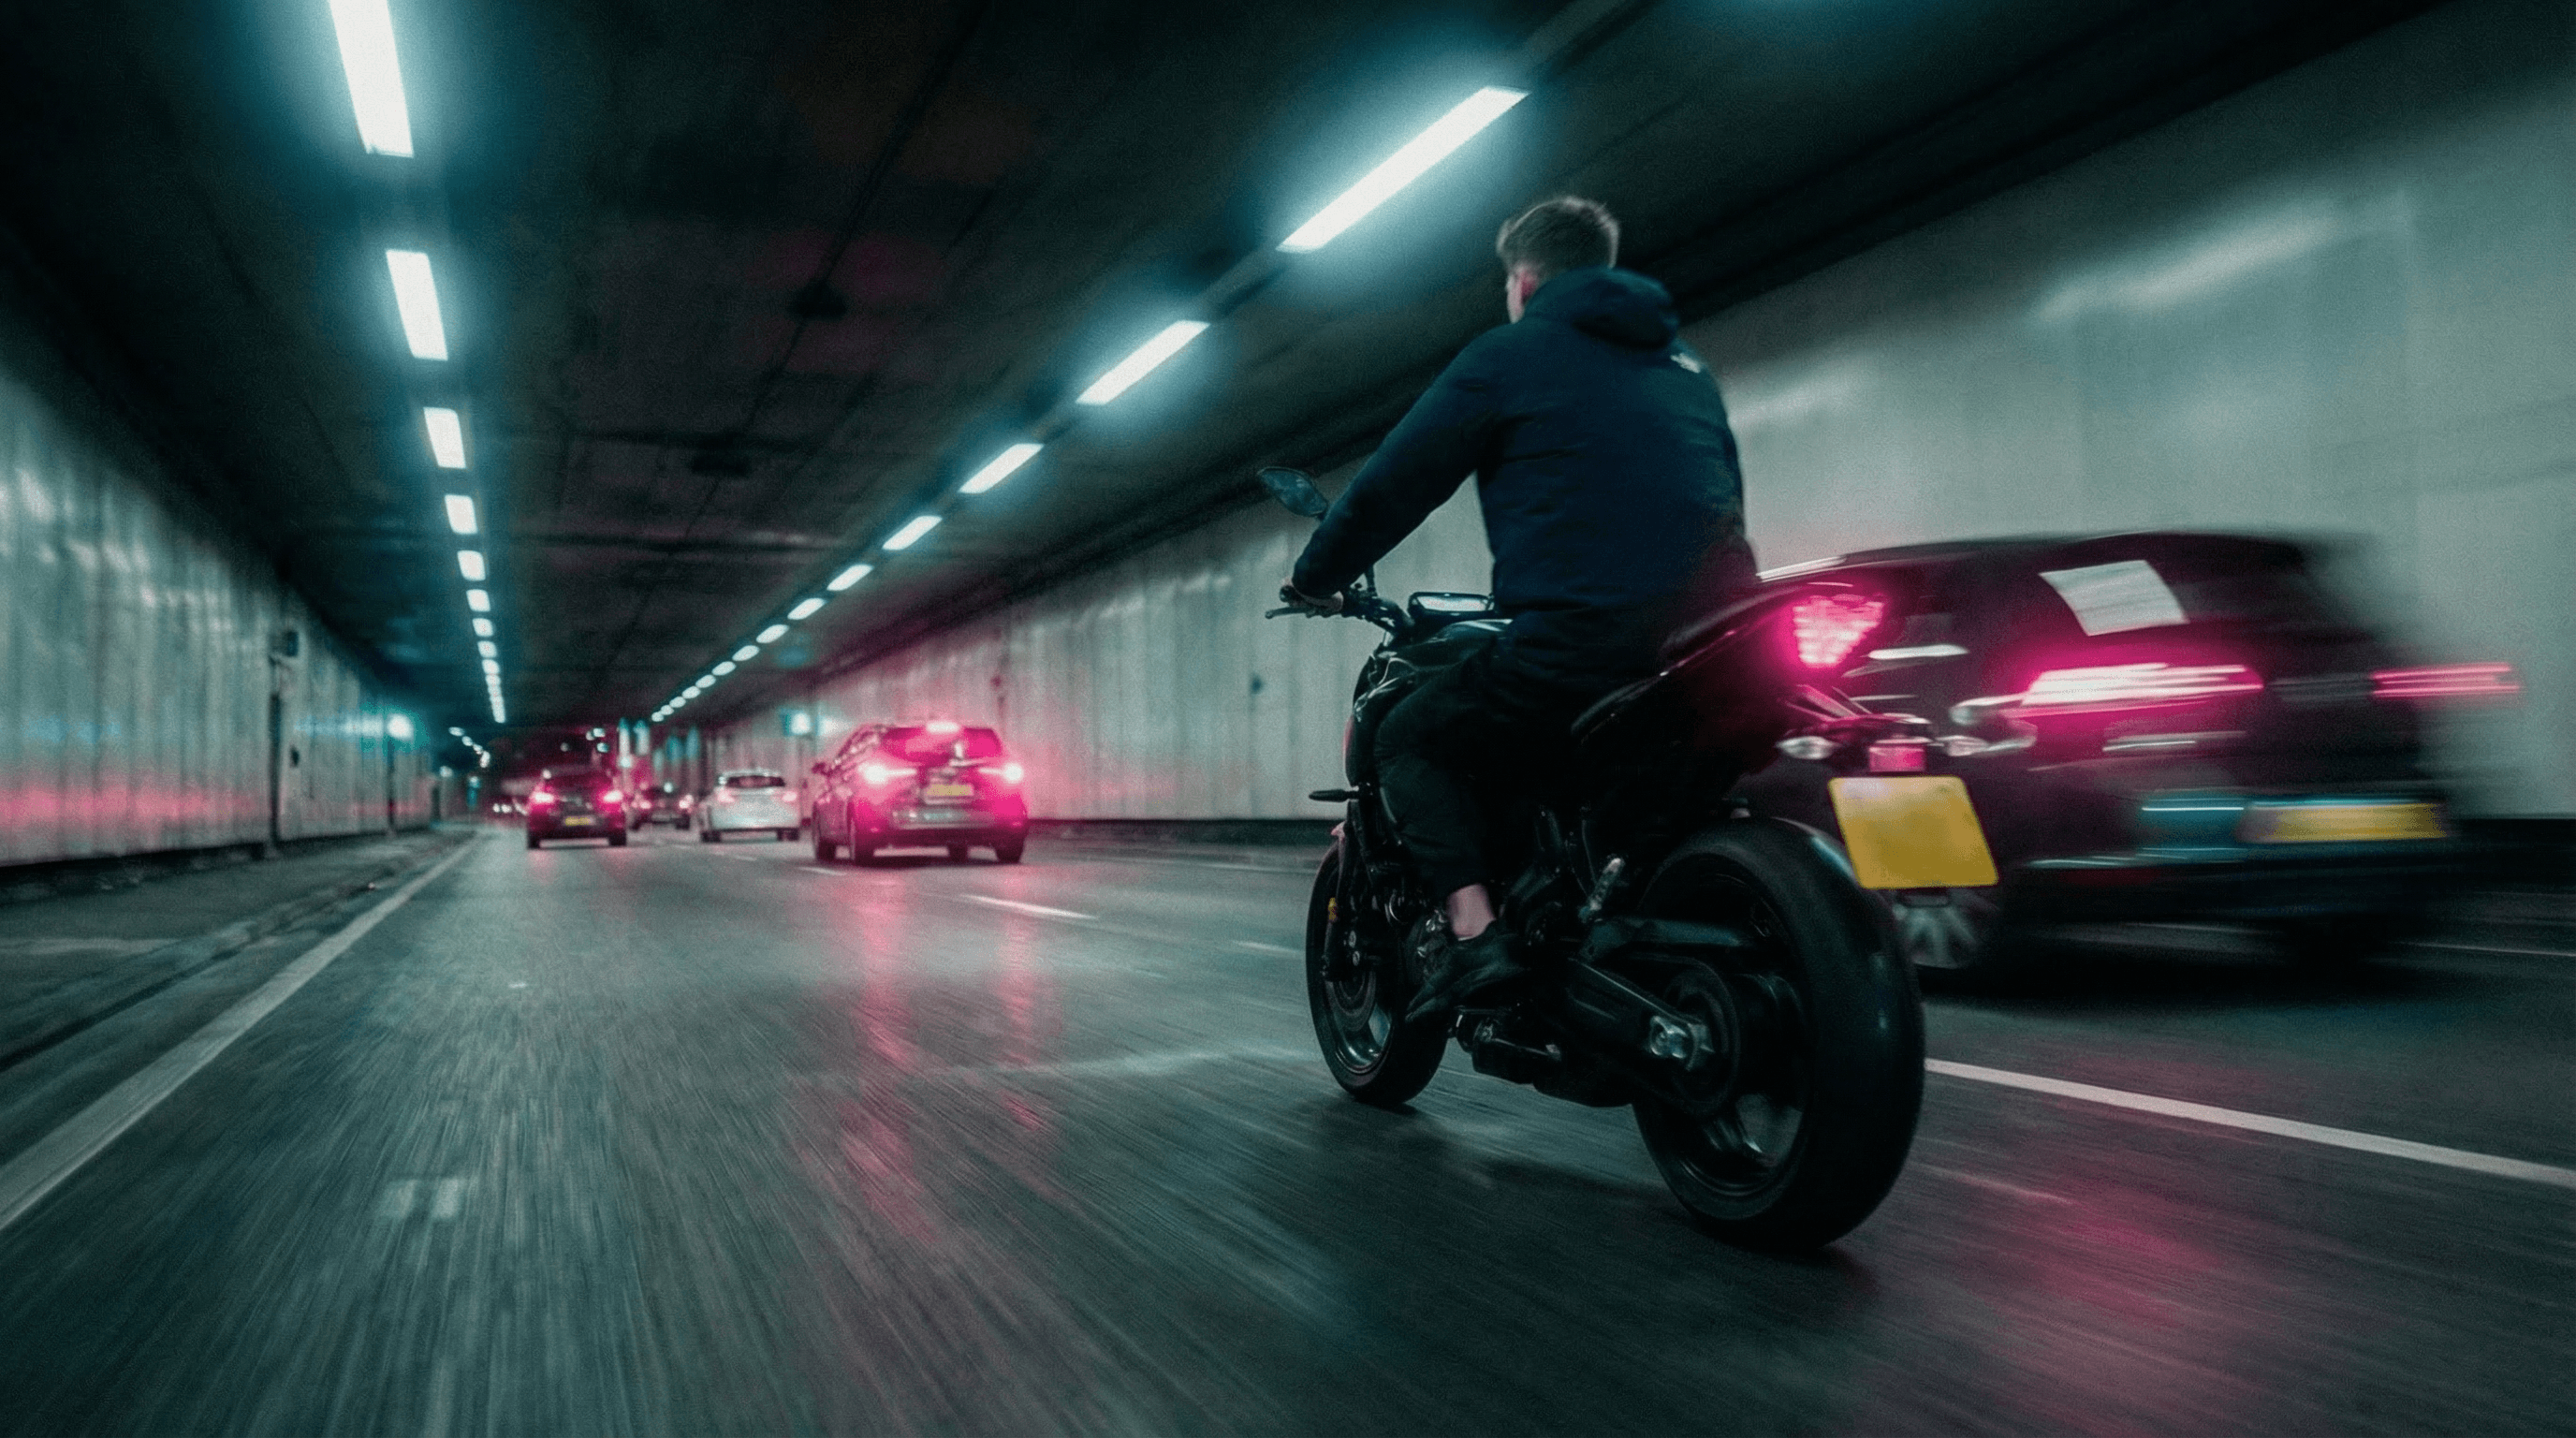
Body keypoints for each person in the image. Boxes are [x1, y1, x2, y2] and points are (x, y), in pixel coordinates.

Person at [1281, 196, 1755, 1020]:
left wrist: (1316, 574)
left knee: (1409, 736)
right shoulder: (1687, 366)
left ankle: (1477, 934)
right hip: (1717, 640)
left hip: (1586, 641)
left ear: (1525, 281)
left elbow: (1398, 482)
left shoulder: (1509, 354)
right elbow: (1725, 501)